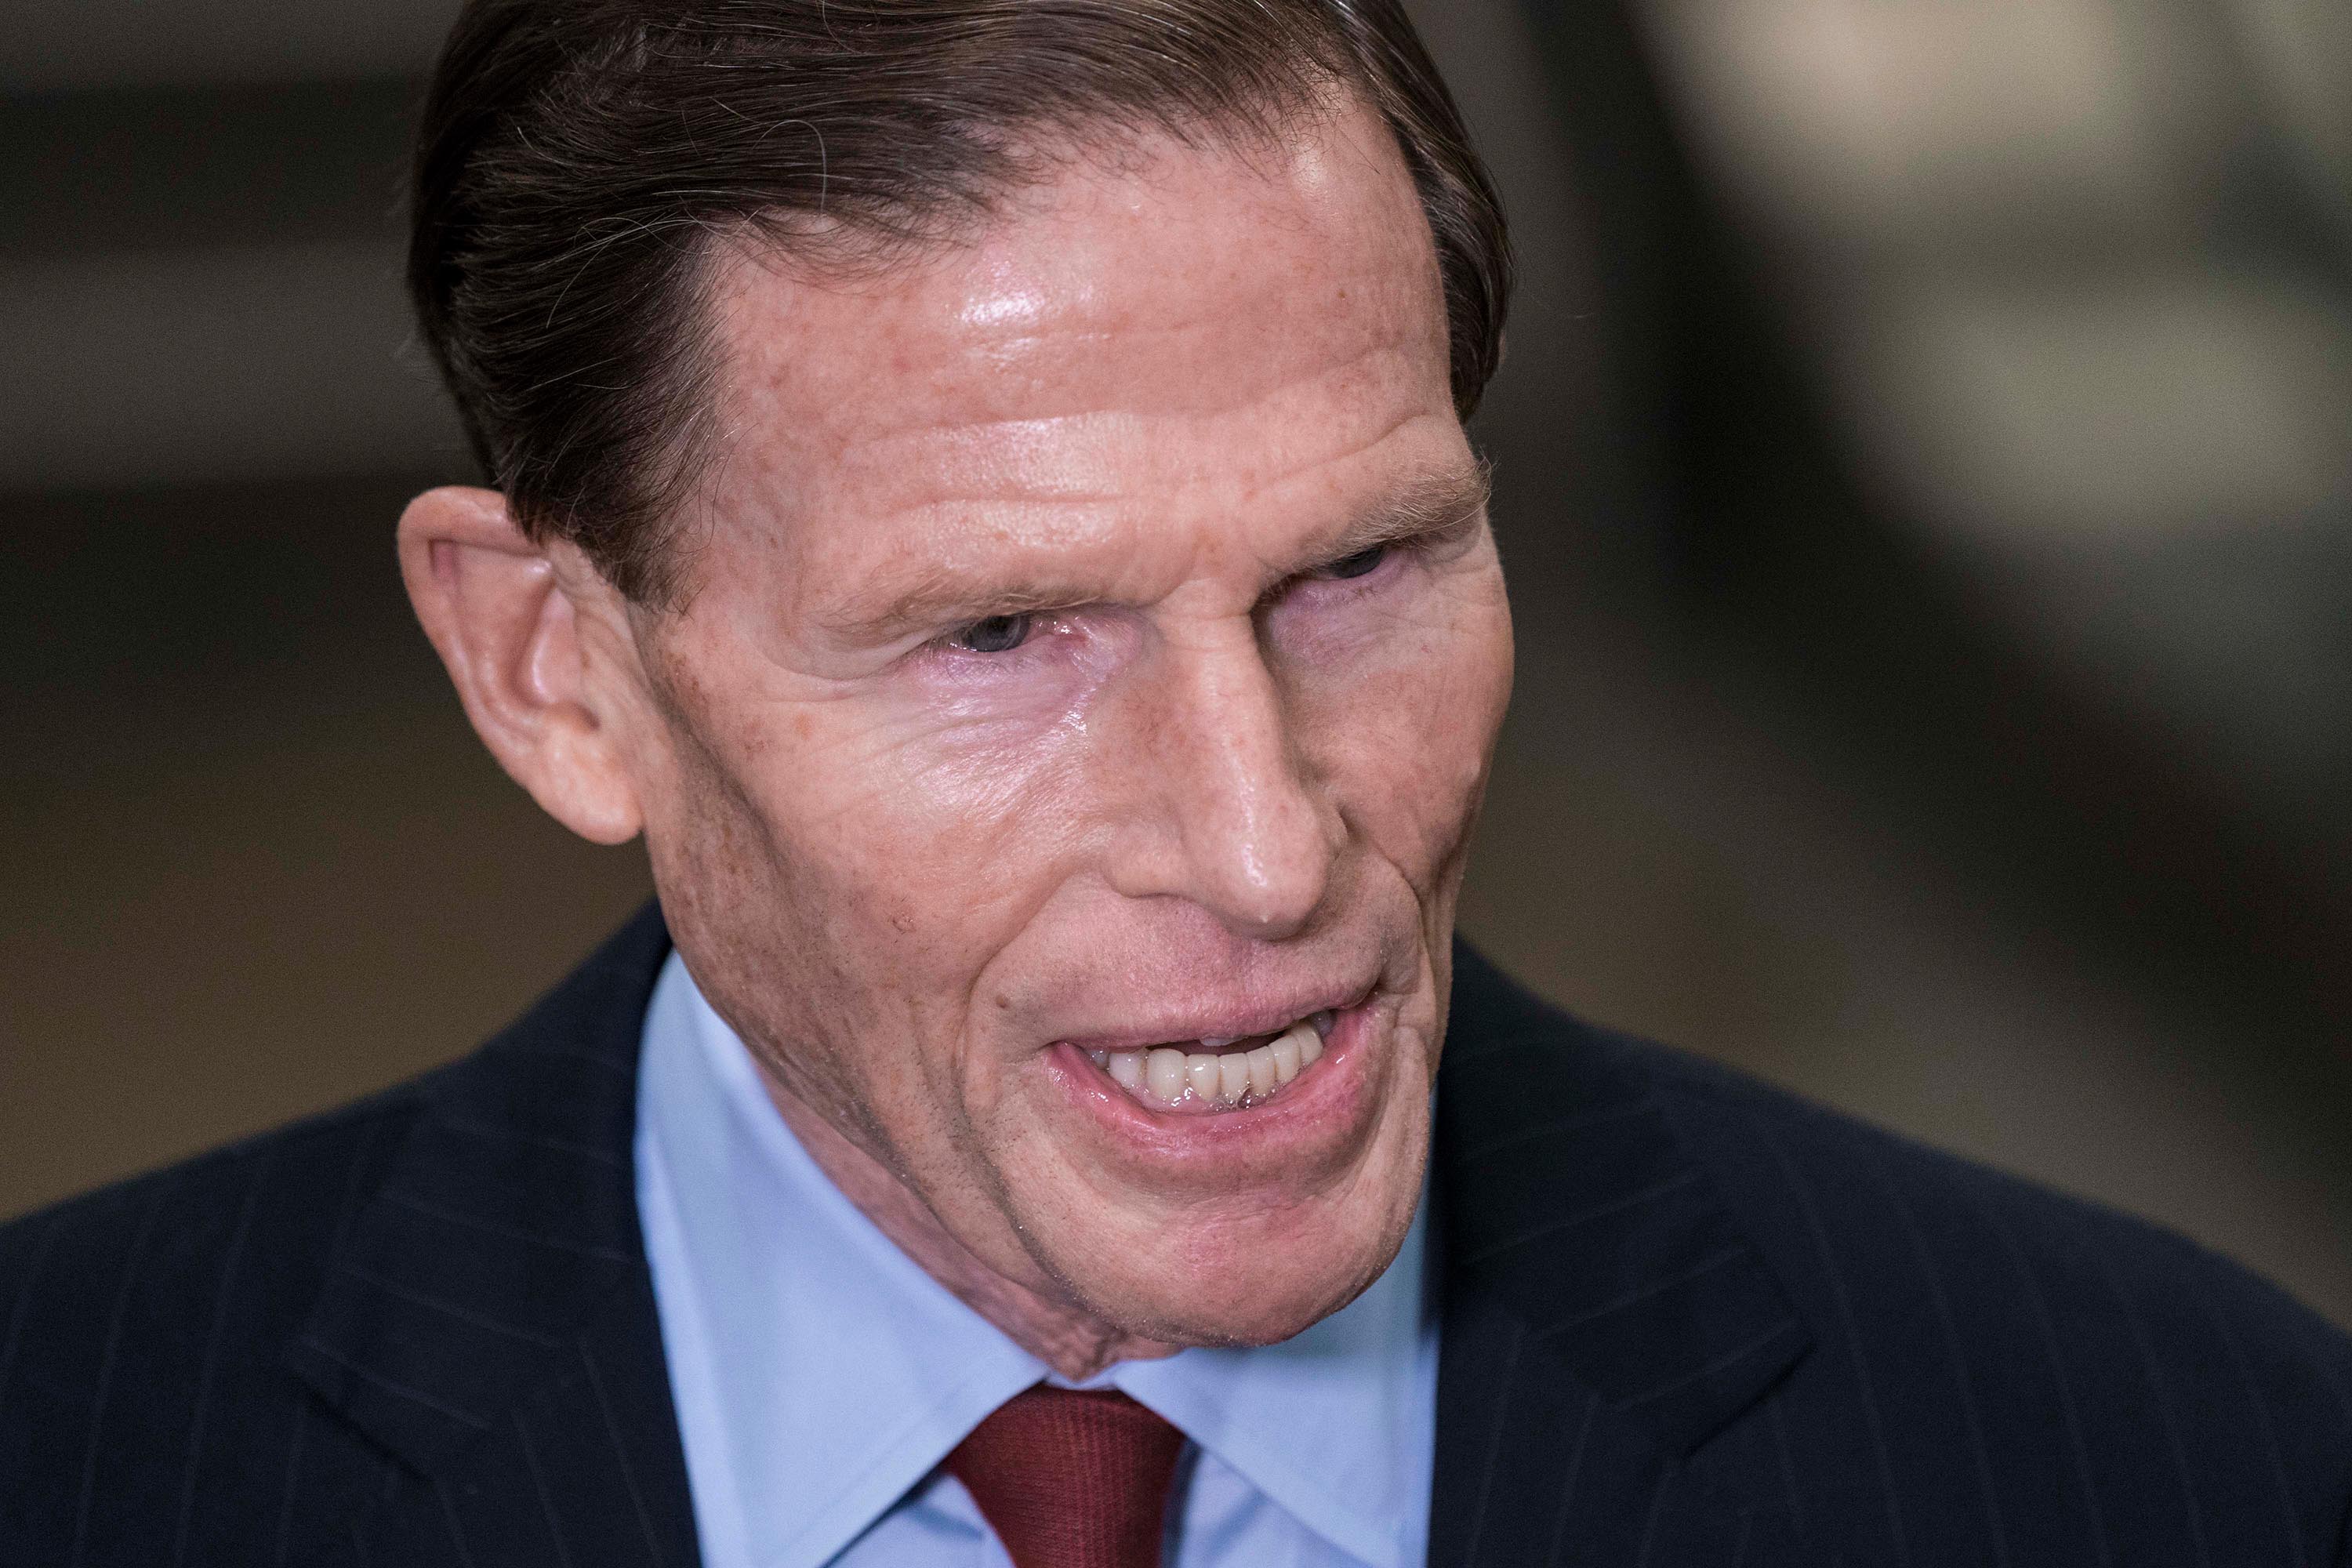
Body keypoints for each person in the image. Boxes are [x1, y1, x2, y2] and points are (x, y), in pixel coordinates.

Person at [3, 0, 2347, 1563]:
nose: (1270, 842)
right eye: (1004, 634)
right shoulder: (77, 1452)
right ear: (554, 676)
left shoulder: (2173, 1460)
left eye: (1360, 568)